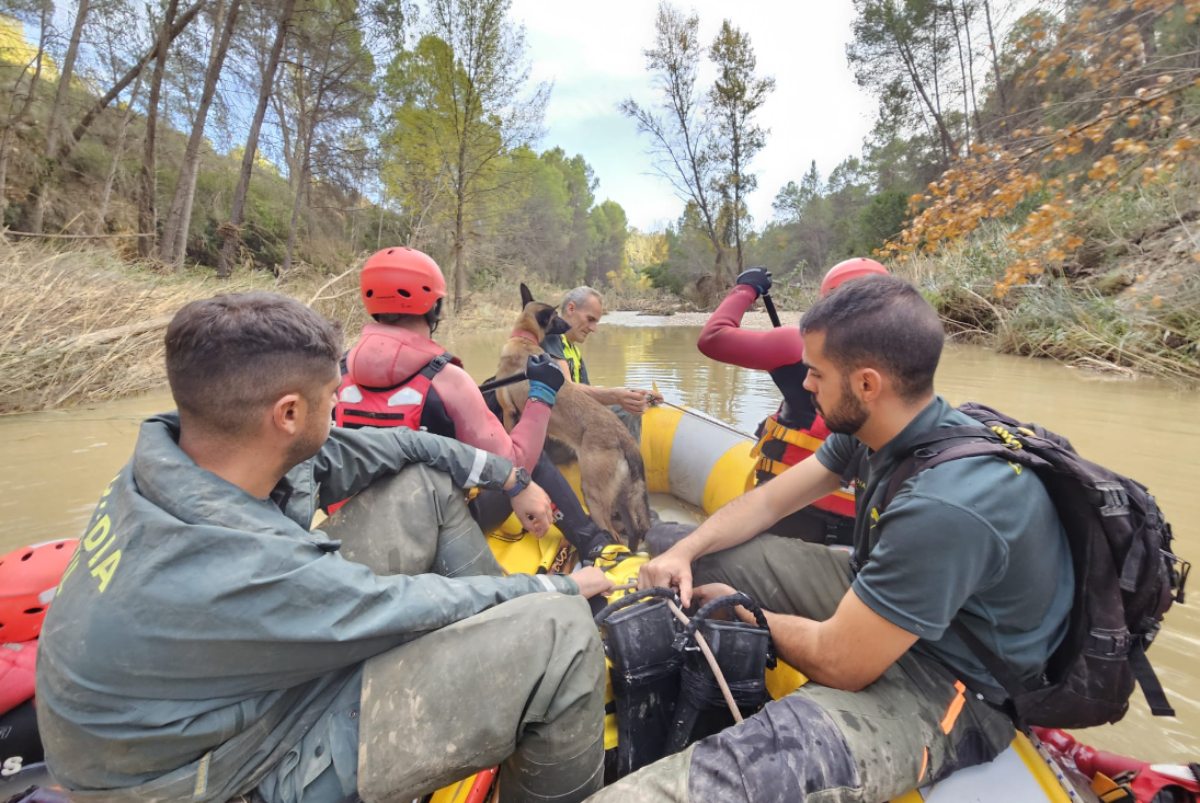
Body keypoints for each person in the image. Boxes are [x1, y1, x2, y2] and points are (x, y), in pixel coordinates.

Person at [35, 291, 613, 803]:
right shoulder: (241, 561)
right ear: (288, 413)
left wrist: (507, 477)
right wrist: (555, 588)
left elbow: (398, 448)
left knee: (424, 486)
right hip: (208, 776)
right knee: (562, 634)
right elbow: (400, 607)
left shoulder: (181, 452)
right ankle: (527, 669)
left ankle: (505, 640)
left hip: (196, 710)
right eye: (332, 396)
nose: (339, 407)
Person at [590, 275, 1074, 802]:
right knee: (684, 547)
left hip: (953, 684)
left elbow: (843, 662)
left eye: (816, 373)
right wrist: (684, 551)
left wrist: (746, 612)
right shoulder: (877, 432)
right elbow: (771, 501)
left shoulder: (946, 506)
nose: (807, 385)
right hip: (882, 600)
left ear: (867, 384)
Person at [336, 247, 615, 560]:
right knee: (531, 463)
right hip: (431, 532)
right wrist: (541, 396)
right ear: (436, 306)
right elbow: (515, 463)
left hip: (352, 526)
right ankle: (594, 544)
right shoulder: (447, 380)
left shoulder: (336, 371)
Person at [696, 257, 889, 545]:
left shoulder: (796, 344)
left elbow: (712, 338)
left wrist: (746, 289)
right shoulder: (906, 359)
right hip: (861, 532)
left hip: (792, 516)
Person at [543, 286, 661, 419]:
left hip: (574, 416)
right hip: (554, 424)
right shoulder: (550, 338)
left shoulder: (574, 351)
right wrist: (616, 396)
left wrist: (636, 396)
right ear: (571, 308)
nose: (594, 329)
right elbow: (565, 388)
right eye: (590, 319)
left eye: (596, 322)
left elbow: (587, 396)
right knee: (628, 412)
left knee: (632, 407)